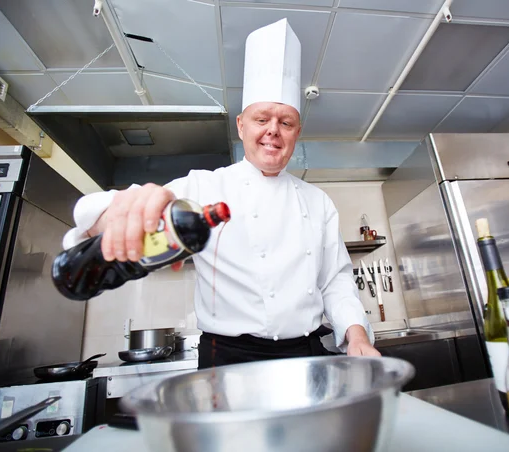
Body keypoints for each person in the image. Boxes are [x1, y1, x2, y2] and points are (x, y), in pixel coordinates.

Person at [63, 19, 379, 369]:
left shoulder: (318, 202)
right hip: (228, 358)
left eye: (286, 122)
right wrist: (118, 213)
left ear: (297, 132)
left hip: (306, 354)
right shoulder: (201, 187)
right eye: (262, 119)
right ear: (241, 125)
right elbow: (108, 214)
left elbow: (335, 280)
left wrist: (356, 334)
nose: (273, 131)